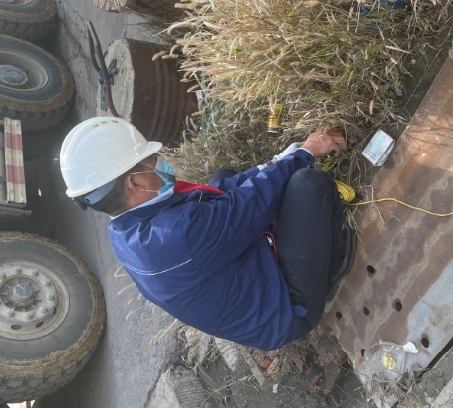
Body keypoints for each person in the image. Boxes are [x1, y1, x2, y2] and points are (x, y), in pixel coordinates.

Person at [59, 116, 355, 351]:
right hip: (288, 309)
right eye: (150, 161)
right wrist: (306, 152)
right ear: (133, 182)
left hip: (241, 277)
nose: (159, 162)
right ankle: (329, 270)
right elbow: (249, 206)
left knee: (222, 177)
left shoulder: (125, 227)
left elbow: (220, 201)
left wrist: (276, 162)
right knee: (308, 184)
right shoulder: (179, 236)